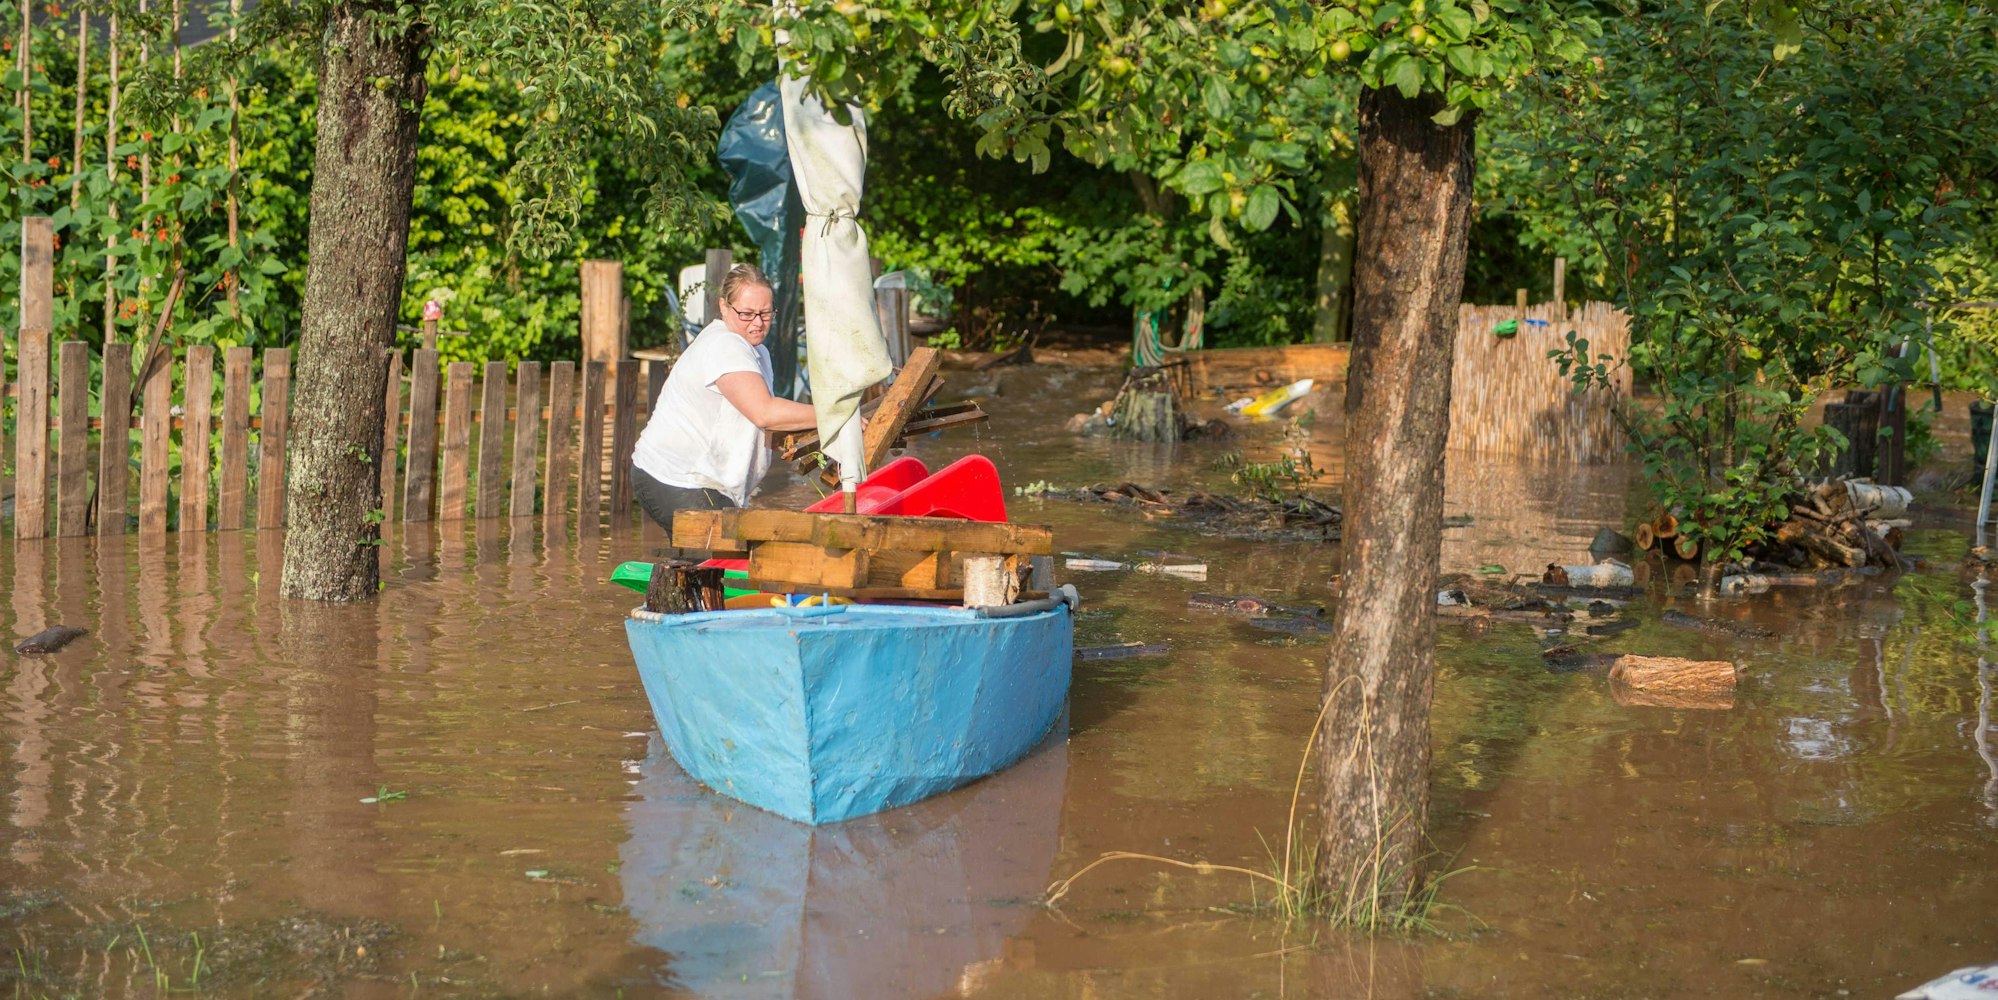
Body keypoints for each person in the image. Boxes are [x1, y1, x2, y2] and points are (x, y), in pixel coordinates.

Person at [632, 263, 819, 533]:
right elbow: (764, 413)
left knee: (709, 564)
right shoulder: (725, 345)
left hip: (684, 480)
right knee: (726, 554)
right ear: (723, 306)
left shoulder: (756, 351)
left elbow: (763, 424)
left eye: (766, 313)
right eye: (747, 313)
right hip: (677, 480)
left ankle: (678, 571)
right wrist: (834, 416)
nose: (757, 322)